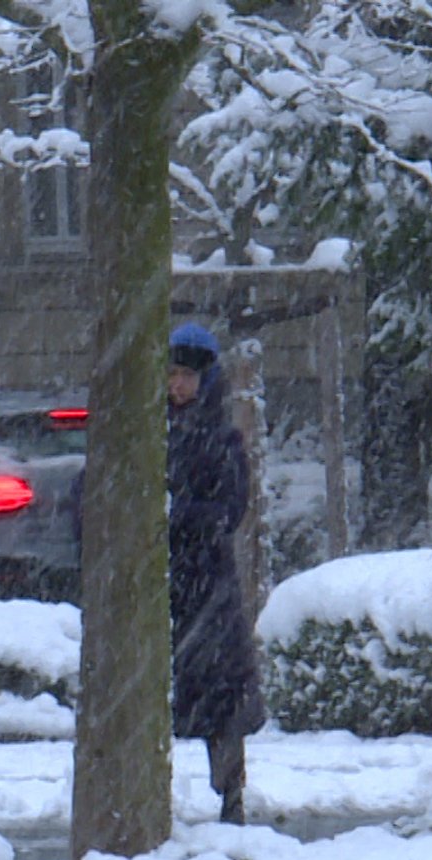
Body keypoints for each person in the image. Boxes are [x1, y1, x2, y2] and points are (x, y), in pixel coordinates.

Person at [166, 323, 266, 825]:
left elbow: (228, 511)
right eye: (171, 373)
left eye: (186, 374)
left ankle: (230, 795)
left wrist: (175, 515)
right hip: (166, 586)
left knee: (220, 700)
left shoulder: (220, 439)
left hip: (205, 585)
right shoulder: (152, 434)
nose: (176, 384)